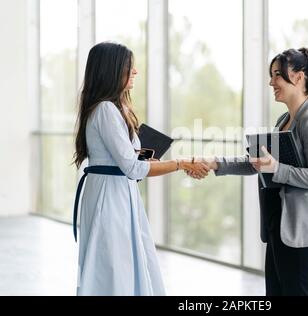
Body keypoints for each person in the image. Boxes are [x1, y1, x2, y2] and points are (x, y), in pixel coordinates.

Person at [192, 47, 308, 296]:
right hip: (279, 227)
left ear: (299, 77)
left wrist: (276, 168)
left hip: (301, 234)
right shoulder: (284, 120)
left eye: (278, 75)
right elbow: (257, 163)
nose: (272, 82)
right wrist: (215, 162)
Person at [73, 42, 209, 296]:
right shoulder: (105, 110)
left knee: (122, 264)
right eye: (129, 67)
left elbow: (130, 159)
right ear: (112, 70)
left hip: (117, 194)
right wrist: (180, 163)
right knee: (113, 267)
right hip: (110, 198)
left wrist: (151, 161)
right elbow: (133, 167)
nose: (135, 72)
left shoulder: (114, 109)